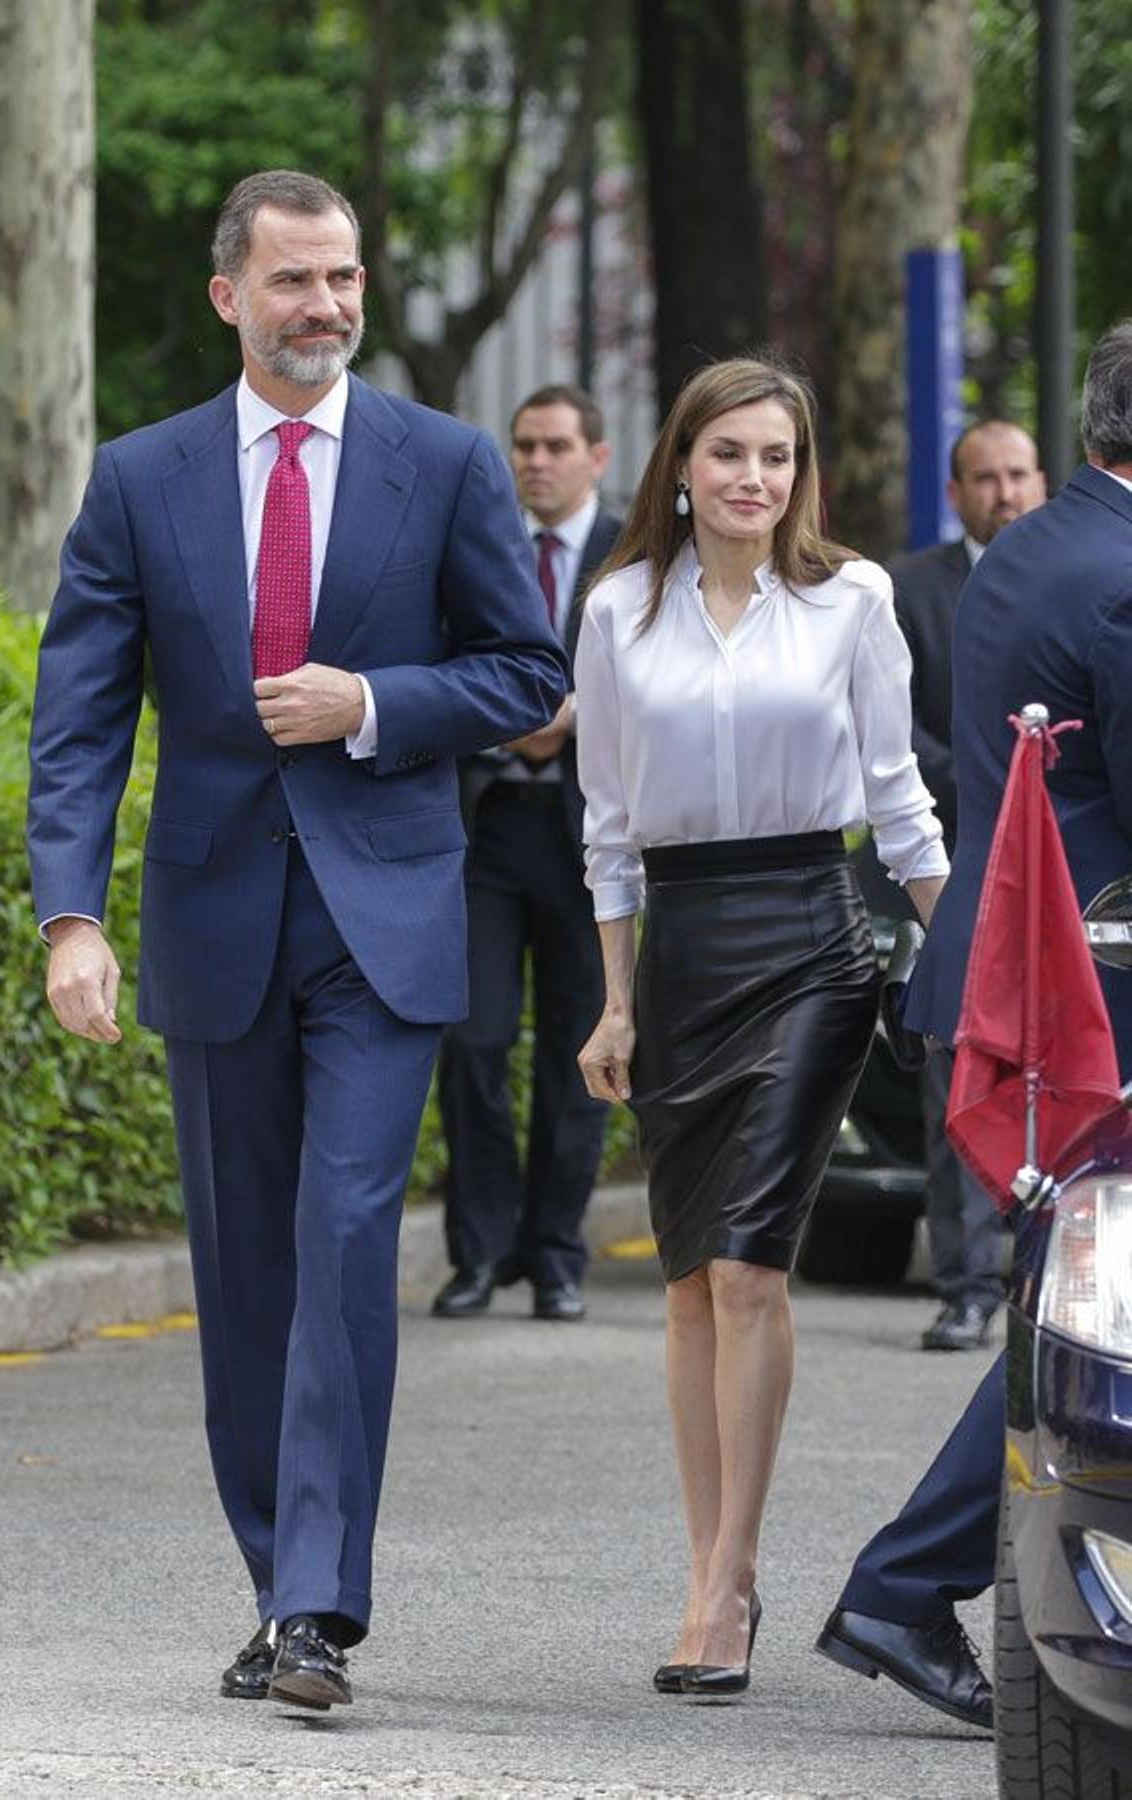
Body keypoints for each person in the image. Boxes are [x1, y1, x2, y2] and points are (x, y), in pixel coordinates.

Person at [26, 170, 567, 1712]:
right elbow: (76, 729)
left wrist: (376, 704)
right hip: (213, 919)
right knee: (246, 1271)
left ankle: (323, 1608)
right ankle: (277, 1582)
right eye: (294, 282)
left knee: (340, 1245)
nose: (326, 306)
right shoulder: (140, 479)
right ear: (229, 297)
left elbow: (525, 668)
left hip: (385, 916)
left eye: (344, 279)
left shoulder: (446, 462)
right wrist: (74, 916)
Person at [573, 357, 948, 1695]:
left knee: (745, 1269)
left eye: (776, 458)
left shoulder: (853, 598)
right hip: (681, 954)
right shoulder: (619, 610)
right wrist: (614, 999)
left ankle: (729, 1582)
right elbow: (608, 828)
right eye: (728, 453)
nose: (751, 480)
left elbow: (898, 800)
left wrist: (969, 953)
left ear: (802, 475)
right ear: (680, 464)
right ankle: (703, 1562)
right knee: (684, 1286)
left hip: (812, 943)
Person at [817, 320, 1132, 1731]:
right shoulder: (1122, 574)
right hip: (1075, 1003)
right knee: (1073, 1324)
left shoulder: (1037, 548)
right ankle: (902, 1584)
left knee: (1053, 1317)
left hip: (1017, 988)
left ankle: (905, 1583)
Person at [433, 385, 621, 1323]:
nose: (536, 462)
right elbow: (444, 660)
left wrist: (575, 719)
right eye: (523, 447)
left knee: (576, 1056)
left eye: (555, 446)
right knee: (470, 1041)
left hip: (592, 835)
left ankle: (554, 1255)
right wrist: (508, 719)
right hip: (487, 824)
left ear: (598, 455)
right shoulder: (478, 542)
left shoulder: (637, 554)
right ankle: (478, 1252)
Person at [890, 422, 1046, 1352]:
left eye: (1019, 474)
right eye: (985, 478)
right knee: (958, 1062)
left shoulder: (1078, 574)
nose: (1005, 492)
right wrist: (1000, 782)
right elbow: (891, 731)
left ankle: (1049, 1276)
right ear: (956, 492)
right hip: (953, 858)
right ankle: (967, 1283)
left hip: (1062, 857)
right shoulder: (909, 589)